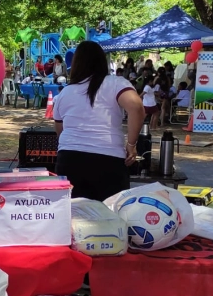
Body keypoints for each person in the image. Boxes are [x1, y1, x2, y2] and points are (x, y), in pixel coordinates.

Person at [53, 41, 145, 201]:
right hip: (108, 161)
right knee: (111, 218)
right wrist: (131, 145)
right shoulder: (116, 83)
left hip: (69, 160)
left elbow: (60, 131)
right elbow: (136, 108)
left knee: (72, 218)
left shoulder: (65, 92)